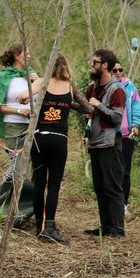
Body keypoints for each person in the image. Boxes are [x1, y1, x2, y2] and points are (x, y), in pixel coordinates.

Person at [29, 55, 91, 244]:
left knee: (39, 182)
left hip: (39, 137)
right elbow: (88, 107)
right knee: (53, 185)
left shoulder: (42, 81)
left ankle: (39, 226)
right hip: (59, 140)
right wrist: (65, 104)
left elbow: (23, 96)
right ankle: (49, 226)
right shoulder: (70, 86)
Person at [84, 49, 127, 238]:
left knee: (112, 187)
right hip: (94, 143)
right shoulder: (91, 88)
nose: (92, 64)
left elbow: (117, 117)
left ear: (105, 66)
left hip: (110, 144)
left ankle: (117, 229)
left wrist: (98, 105)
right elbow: (89, 112)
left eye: (96, 61)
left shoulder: (116, 88)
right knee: (99, 188)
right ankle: (106, 226)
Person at [0, 44, 39, 183]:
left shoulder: (32, 74)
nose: (29, 57)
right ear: (16, 56)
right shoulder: (5, 76)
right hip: (13, 125)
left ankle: (23, 197)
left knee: (28, 163)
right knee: (16, 164)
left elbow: (40, 98)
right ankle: (7, 194)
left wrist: (36, 81)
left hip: (32, 125)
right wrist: (19, 110)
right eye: (26, 54)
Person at [111, 62, 140, 215]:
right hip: (110, 135)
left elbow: (136, 106)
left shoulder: (130, 86)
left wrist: (135, 124)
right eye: (114, 70)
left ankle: (123, 204)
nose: (117, 72)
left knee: (125, 171)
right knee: (111, 170)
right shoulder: (106, 86)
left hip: (127, 135)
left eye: (120, 70)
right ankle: (112, 203)